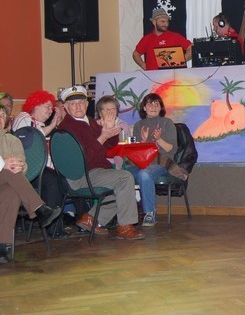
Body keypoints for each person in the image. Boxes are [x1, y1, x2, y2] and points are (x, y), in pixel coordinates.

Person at [57, 85, 144, 240]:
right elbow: (81, 160)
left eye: (81, 102)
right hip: (79, 175)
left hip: (96, 171)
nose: (78, 106)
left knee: (123, 187)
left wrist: (110, 131)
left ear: (87, 104)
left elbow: (109, 146)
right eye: (73, 103)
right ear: (66, 107)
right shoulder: (66, 128)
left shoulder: (90, 121)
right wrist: (103, 137)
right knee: (125, 178)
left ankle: (90, 219)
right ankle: (125, 226)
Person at [0, 104, 62, 263]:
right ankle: (39, 209)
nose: (0, 119)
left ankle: (2, 246)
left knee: (11, 193)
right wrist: (3, 164)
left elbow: (23, 164)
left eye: (2, 116)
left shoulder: (12, 140)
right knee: (9, 172)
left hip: (6, 184)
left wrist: (20, 166)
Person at [11, 90, 67, 236]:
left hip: (42, 170)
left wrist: (56, 125)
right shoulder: (23, 118)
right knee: (52, 180)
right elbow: (32, 136)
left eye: (51, 108)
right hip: (26, 171)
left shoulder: (42, 126)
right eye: (47, 106)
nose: (50, 111)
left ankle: (62, 224)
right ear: (35, 105)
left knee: (62, 178)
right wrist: (52, 126)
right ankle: (54, 230)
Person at [126, 93, 179, 227]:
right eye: (150, 104)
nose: (154, 107)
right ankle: (121, 214)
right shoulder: (139, 125)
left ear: (161, 107)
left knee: (144, 174)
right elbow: (137, 153)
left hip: (162, 162)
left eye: (157, 104)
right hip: (142, 162)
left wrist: (159, 139)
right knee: (121, 172)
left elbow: (171, 150)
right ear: (144, 108)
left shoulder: (167, 123)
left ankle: (149, 213)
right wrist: (144, 141)